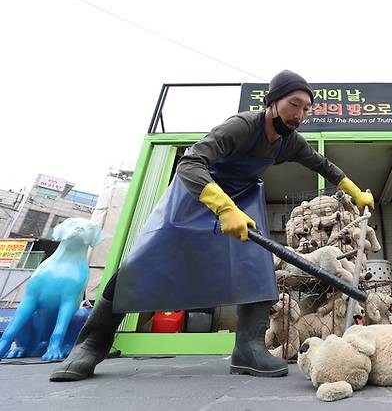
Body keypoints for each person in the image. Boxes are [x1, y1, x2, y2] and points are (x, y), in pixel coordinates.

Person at [50, 70, 374, 381]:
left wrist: (356, 192)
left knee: (256, 267)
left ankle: (249, 349)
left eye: (306, 109)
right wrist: (222, 207)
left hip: (243, 199)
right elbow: (191, 161)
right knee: (142, 263)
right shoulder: (242, 126)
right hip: (196, 195)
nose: (300, 114)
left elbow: (323, 165)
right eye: (294, 104)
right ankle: (91, 345)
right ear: (272, 102)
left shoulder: (289, 142)